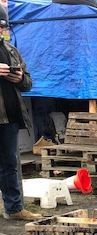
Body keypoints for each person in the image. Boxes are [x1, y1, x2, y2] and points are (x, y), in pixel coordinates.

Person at [0, 5, 41, 221]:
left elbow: (28, 82)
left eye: (2, 26)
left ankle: (14, 208)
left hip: (10, 116)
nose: (1, 30)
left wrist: (20, 79)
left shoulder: (11, 50)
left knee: (10, 163)